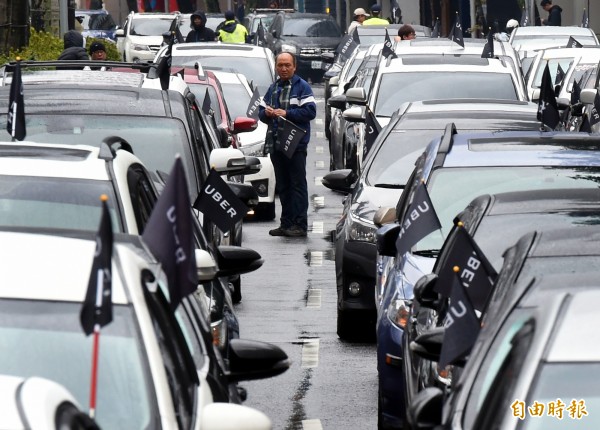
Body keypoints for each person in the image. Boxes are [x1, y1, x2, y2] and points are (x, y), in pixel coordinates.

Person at [259, 52, 317, 237]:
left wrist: (287, 113)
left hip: (295, 144)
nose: (283, 69)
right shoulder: (273, 87)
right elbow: (261, 113)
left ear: (294, 67)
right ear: (276, 67)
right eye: (280, 65)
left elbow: (310, 112)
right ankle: (286, 223)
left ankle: (300, 225)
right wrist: (266, 114)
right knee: (283, 186)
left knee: (297, 185)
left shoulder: (302, 87)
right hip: (276, 144)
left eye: (287, 65)